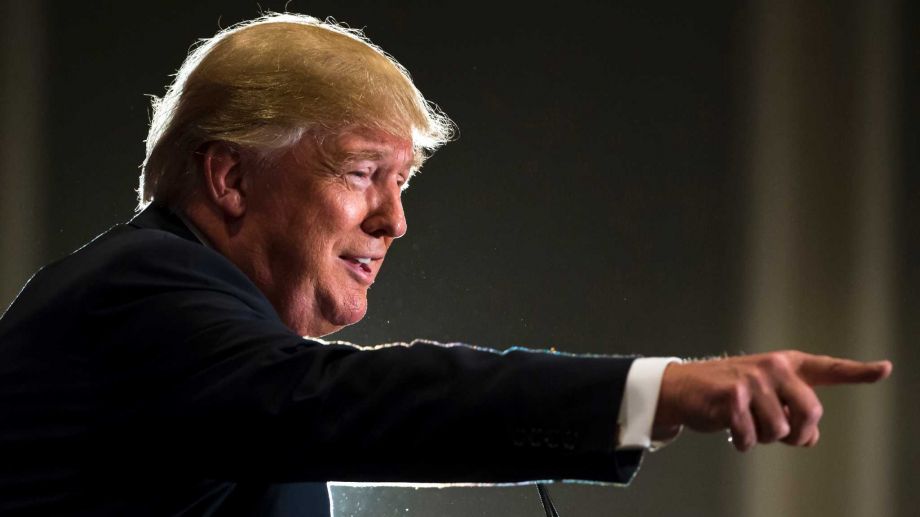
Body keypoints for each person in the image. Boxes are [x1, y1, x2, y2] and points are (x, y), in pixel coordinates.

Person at [0, 13, 891, 517]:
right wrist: (656, 390)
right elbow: (352, 402)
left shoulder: (231, 362)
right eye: (362, 174)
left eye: (403, 183)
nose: (394, 220)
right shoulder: (142, 291)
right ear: (230, 176)